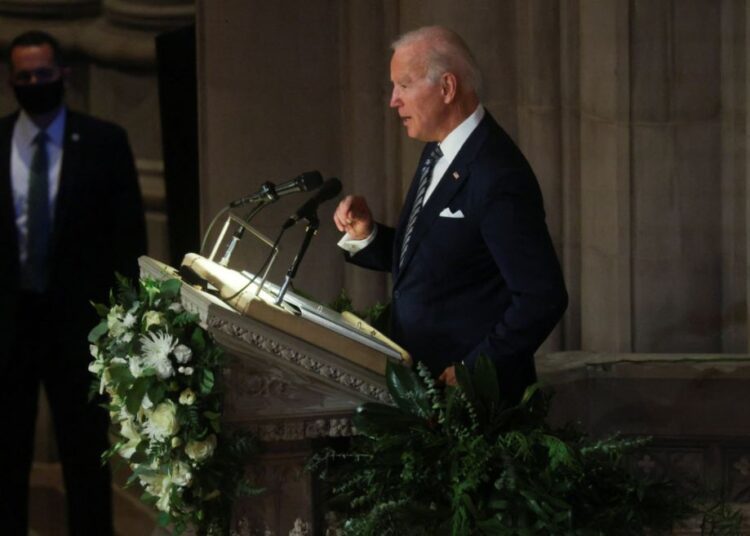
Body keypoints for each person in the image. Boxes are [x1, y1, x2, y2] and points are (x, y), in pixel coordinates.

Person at [334, 26, 567, 403]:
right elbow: (439, 259)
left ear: (446, 88)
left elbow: (542, 296)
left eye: (404, 86)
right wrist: (368, 236)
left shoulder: (497, 174)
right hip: (423, 388)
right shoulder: (439, 150)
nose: (394, 101)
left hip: (472, 404)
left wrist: (473, 370)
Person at [0, 31, 147, 535]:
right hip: (10, 328)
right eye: (25, 77)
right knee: (6, 455)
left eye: (44, 74)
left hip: (79, 330)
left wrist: (123, 324)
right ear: (12, 81)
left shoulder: (104, 142)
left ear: (62, 74)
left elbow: (128, 240)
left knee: (85, 457)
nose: (35, 83)